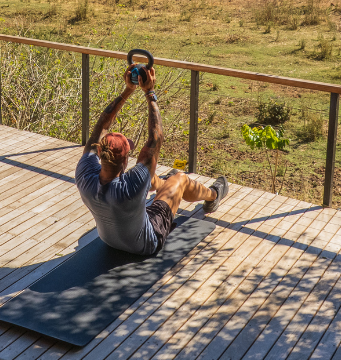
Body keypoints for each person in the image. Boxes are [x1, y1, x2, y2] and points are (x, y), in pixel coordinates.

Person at [75, 65, 228, 256]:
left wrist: (127, 91)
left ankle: (164, 184)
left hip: (108, 240)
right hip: (147, 243)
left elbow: (100, 126)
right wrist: (150, 93)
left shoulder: (84, 173)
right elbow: (155, 139)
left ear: (99, 150)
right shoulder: (132, 184)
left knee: (151, 176)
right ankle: (213, 195)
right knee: (180, 178)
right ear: (124, 162)